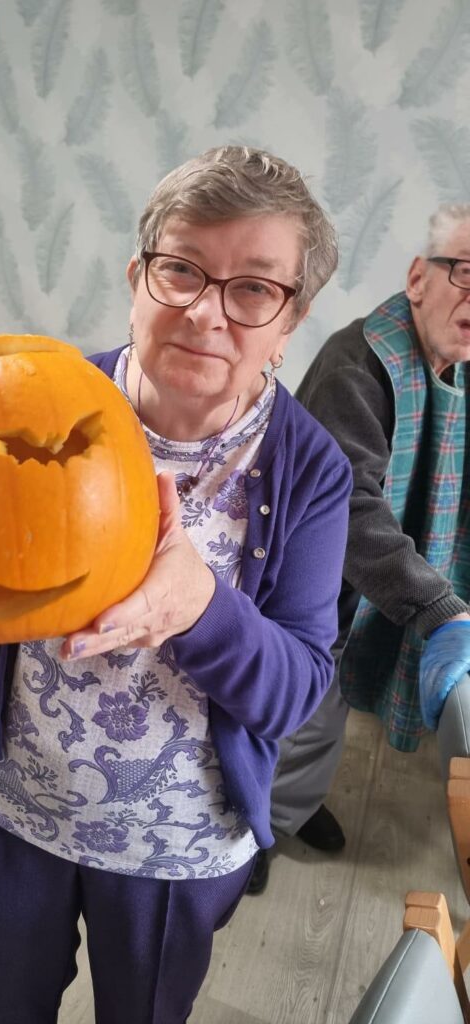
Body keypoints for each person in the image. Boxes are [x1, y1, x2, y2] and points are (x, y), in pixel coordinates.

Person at [0, 145, 352, 1023]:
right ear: (137, 277)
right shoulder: (25, 397)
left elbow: (297, 690)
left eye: (252, 289)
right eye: (181, 269)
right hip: (7, 808)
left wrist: (200, 606)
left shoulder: (311, 468)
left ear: (291, 318)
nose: (205, 312)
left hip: (176, 846)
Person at [260, 203, 470, 895]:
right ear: (418, 278)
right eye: (466, 274)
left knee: (329, 719)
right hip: (307, 583)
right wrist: (437, 605)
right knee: (294, 718)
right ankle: (254, 829)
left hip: (368, 592)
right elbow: (348, 506)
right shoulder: (356, 365)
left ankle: (290, 807)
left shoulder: (457, 365)